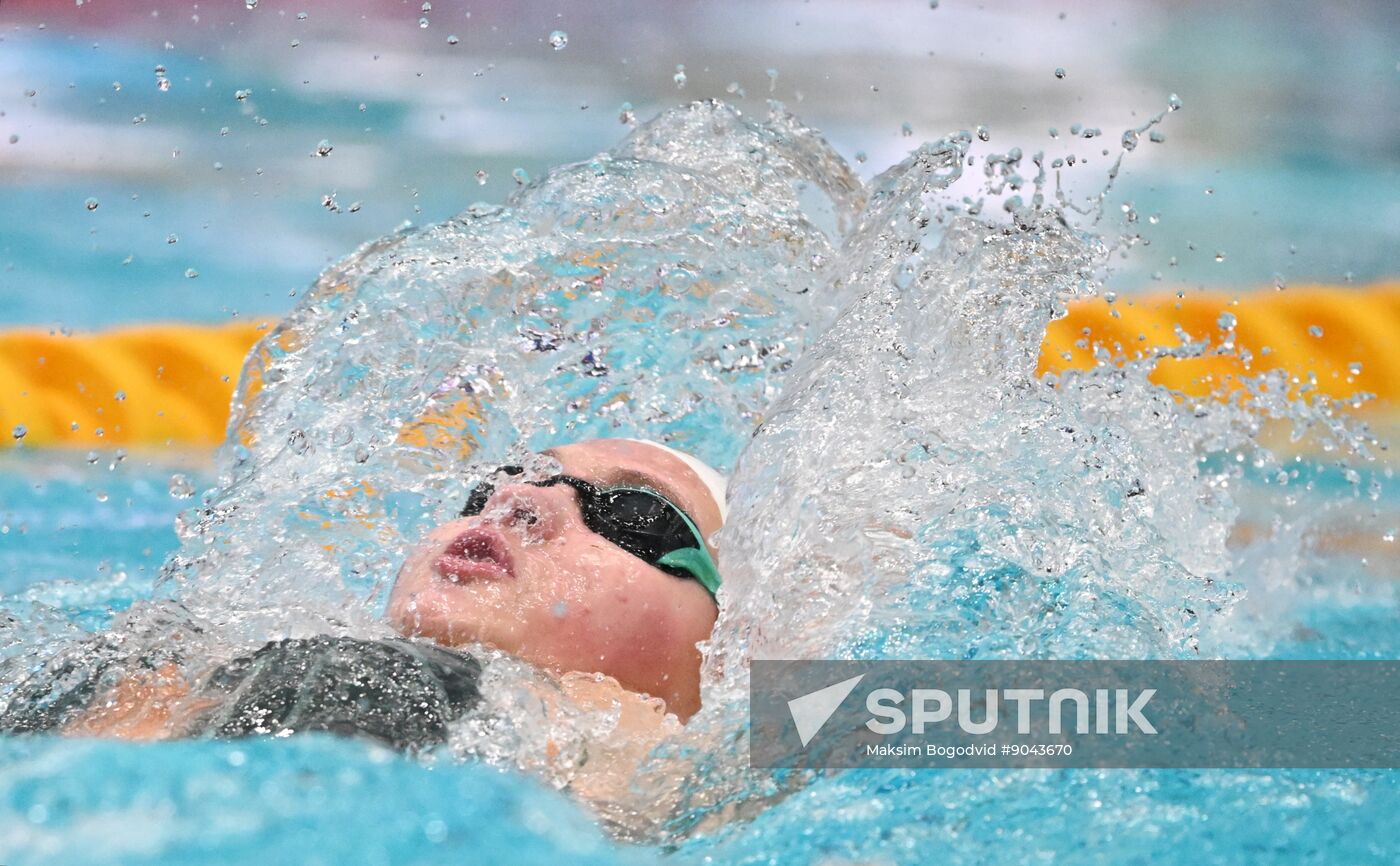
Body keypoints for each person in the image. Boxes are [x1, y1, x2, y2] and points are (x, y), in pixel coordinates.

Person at [0, 437, 727, 758]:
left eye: (632, 512)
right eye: (497, 481)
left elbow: (834, 720)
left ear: (730, 645)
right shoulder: (169, 662)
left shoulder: (703, 751)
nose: (515, 498)